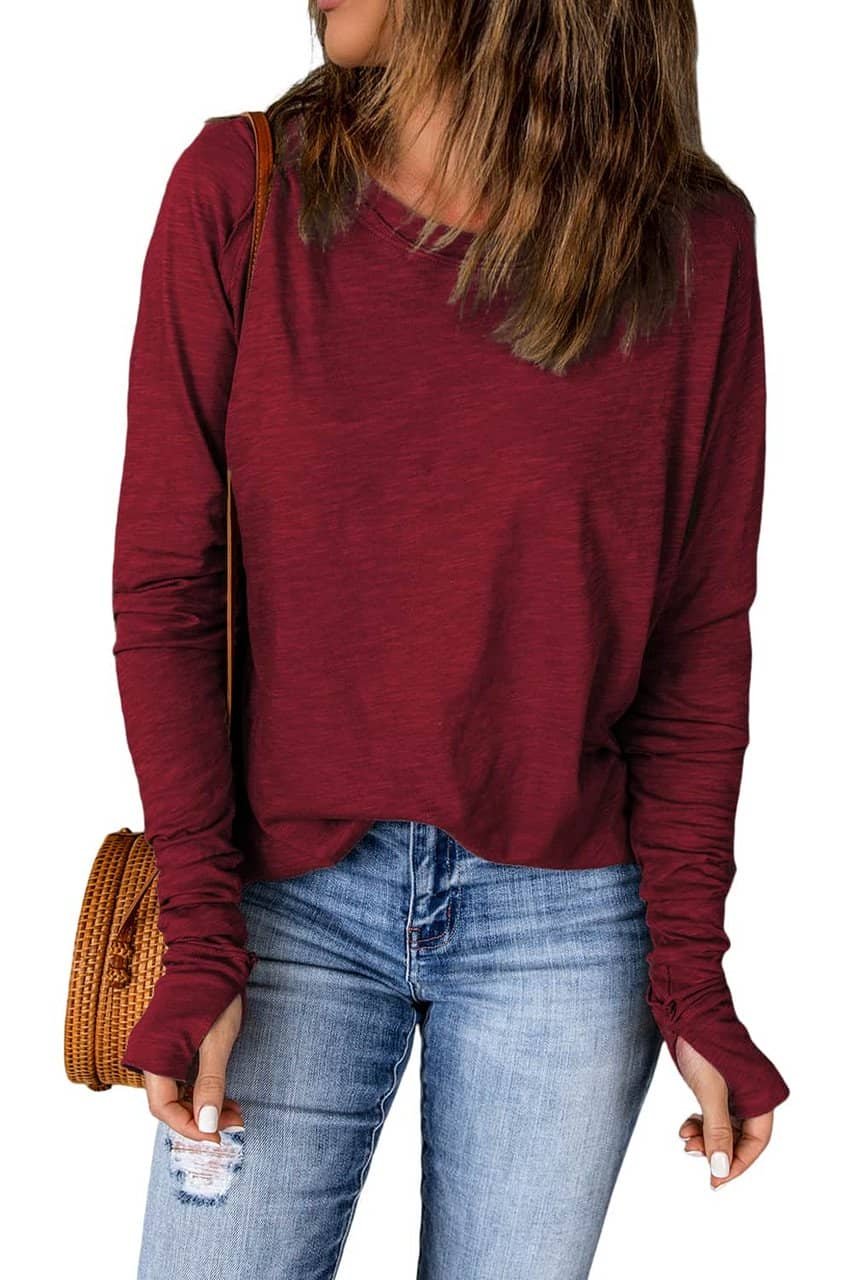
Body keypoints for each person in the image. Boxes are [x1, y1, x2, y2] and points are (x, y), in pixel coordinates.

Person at [111, 1, 790, 1275]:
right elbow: (166, 593)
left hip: (566, 917)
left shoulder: (692, 243)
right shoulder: (240, 192)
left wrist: (691, 976)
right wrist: (200, 930)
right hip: (280, 898)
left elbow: (696, 637)